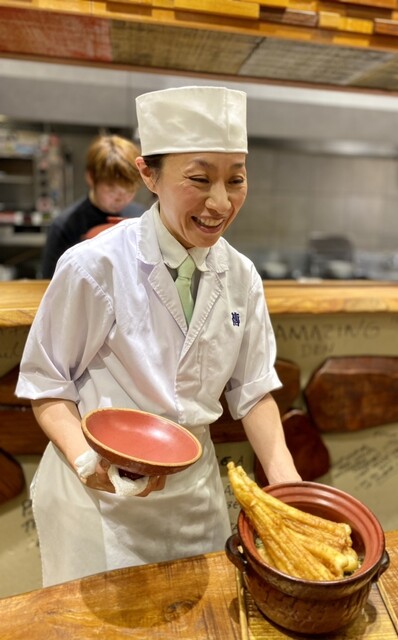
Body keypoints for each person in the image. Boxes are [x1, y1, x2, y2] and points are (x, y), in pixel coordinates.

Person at [16, 86, 301, 587]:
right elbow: (47, 385)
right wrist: (85, 461)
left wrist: (287, 486)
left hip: (193, 502)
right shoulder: (94, 266)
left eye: (236, 179)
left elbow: (253, 390)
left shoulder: (241, 276)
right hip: (100, 505)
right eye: (199, 179)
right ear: (148, 174)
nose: (221, 201)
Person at [41, 134, 144, 278]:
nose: (121, 199)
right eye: (111, 190)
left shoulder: (141, 219)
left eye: (130, 191)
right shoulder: (65, 227)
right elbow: (51, 283)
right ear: (91, 177)